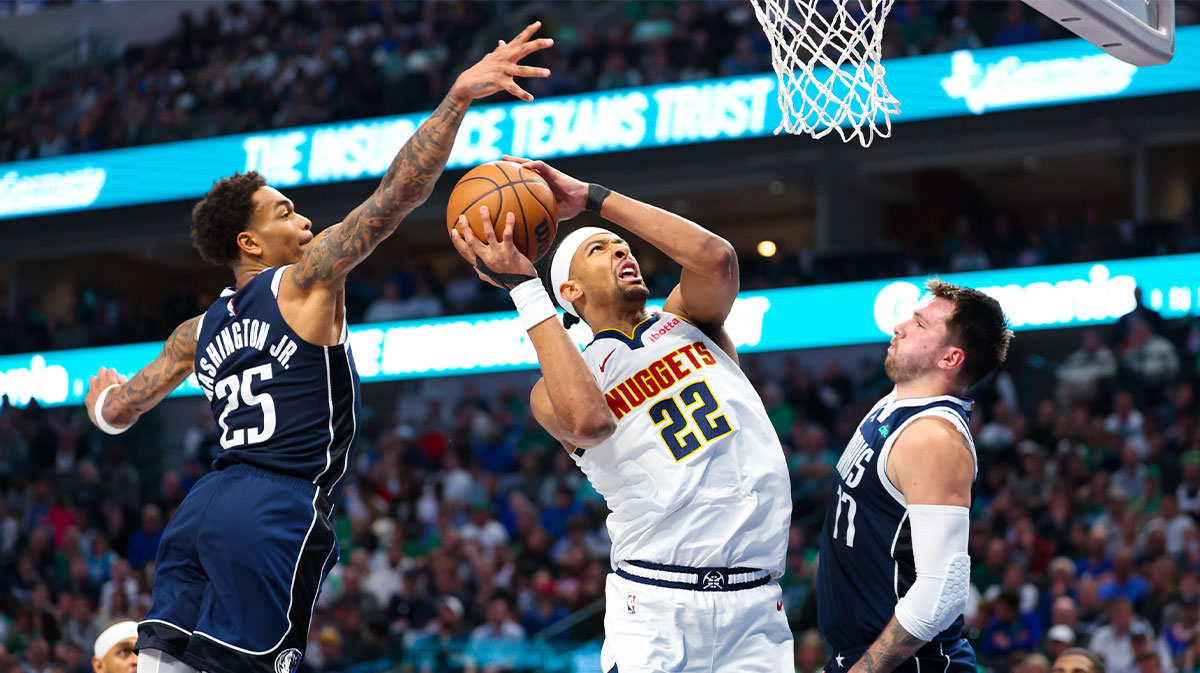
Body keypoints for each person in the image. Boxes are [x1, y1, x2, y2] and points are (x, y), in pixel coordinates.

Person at [81, 24, 553, 673]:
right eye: (285, 211)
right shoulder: (305, 281)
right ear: (250, 243)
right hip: (274, 507)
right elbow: (396, 198)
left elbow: (120, 410)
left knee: (167, 665)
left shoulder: (196, 331)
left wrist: (100, 402)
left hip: (200, 509)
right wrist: (458, 98)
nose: (304, 220)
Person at [448, 157, 793, 672]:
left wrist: (592, 198)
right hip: (657, 606)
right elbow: (590, 422)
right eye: (599, 248)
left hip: (757, 604)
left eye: (622, 247)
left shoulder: (687, 322)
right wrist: (523, 286)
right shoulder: (558, 389)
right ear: (570, 292)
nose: (619, 251)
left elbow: (716, 258)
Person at [816, 280, 1013, 673]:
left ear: (950, 358)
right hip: (863, 654)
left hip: (911, 664)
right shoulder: (896, 401)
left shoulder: (933, 438)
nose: (900, 326)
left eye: (920, 325)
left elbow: (944, 591)